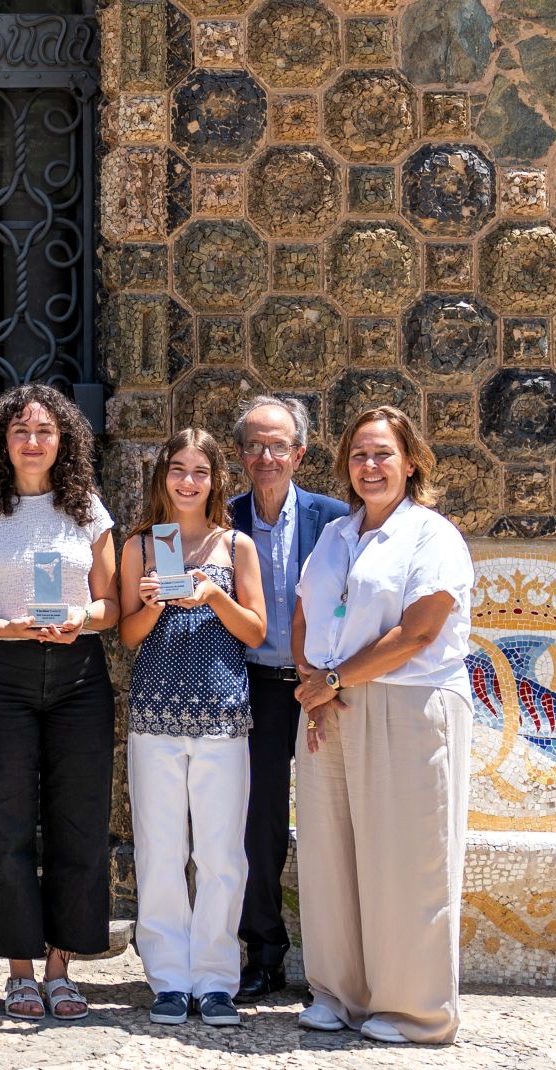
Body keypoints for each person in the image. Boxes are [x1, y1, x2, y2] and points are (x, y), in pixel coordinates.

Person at [292, 406, 473, 1045]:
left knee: (406, 858)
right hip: (331, 706)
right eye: (358, 455)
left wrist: (334, 680)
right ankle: (338, 994)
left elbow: (419, 631)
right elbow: (304, 613)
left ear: (411, 461)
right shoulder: (335, 535)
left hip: (408, 703)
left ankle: (414, 1011)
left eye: (383, 454)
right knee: (329, 854)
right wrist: (313, 685)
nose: (369, 466)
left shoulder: (433, 536)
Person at [0, 385, 119, 1022]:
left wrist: (80, 618)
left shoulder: (88, 510)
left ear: (63, 440)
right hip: (1, 677)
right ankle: (20, 969)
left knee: (79, 823)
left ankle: (60, 967)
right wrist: (1, 627)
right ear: (2, 440)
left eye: (45, 430)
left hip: (78, 677)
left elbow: (111, 605)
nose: (33, 441)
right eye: (20, 430)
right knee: (7, 822)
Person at [119, 428, 265, 1028]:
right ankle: (169, 979)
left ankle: (216, 980)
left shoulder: (236, 545)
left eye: (199, 471)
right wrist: (153, 603)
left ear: (215, 479)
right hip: (155, 714)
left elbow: (255, 630)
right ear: (163, 476)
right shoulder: (141, 546)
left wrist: (212, 597)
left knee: (221, 854)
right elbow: (128, 635)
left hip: (221, 715)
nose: (188, 481)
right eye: (178, 469)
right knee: (160, 850)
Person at [227, 396, 349, 1003]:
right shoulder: (223, 520)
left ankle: (340, 964)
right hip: (254, 687)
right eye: (254, 445)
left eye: (278, 445)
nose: (266, 456)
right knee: (260, 825)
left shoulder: (335, 519)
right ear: (240, 455)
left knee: (337, 818)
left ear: (299, 453)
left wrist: (335, 676)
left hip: (324, 686)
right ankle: (265, 954)